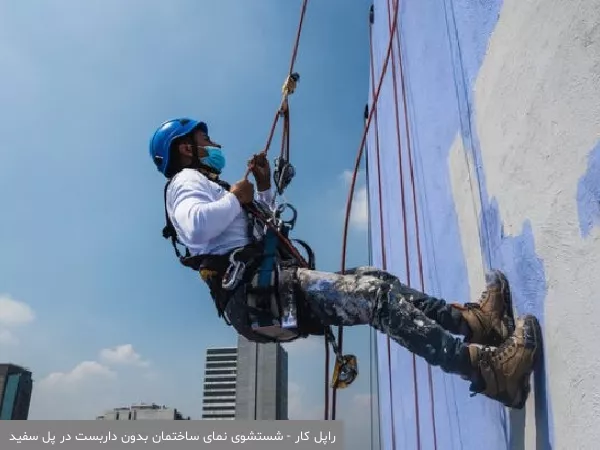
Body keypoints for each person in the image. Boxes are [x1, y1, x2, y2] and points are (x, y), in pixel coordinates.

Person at [148, 117, 542, 410]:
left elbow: (257, 227)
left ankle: (476, 324)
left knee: (375, 281)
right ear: (186, 148)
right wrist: (236, 196)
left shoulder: (212, 185)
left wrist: (262, 188)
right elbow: (195, 228)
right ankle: (490, 373)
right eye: (204, 138)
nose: (212, 142)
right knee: (374, 298)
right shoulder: (184, 183)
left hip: (271, 286)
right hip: (258, 294)